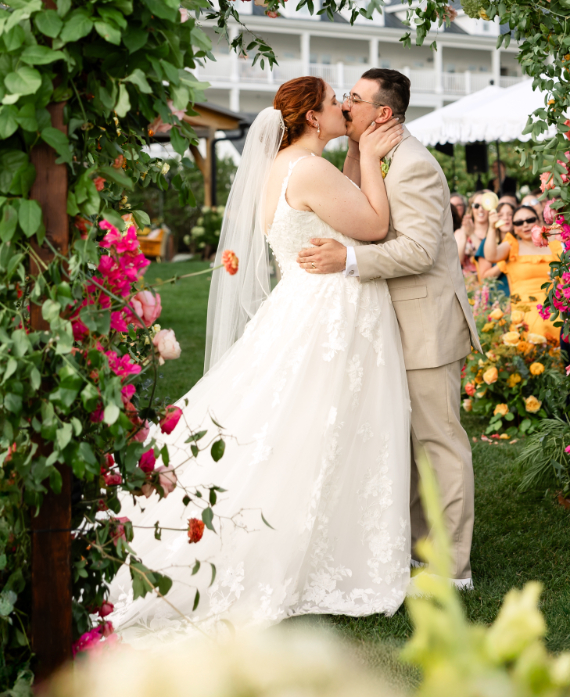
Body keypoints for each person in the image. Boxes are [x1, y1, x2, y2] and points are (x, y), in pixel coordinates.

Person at [108, 77, 411, 638]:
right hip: (330, 312)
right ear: (313, 119)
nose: (344, 106)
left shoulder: (283, 167)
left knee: (296, 424)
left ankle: (328, 539)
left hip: (300, 299)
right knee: (318, 426)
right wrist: (369, 153)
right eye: (333, 103)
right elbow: (373, 225)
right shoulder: (309, 167)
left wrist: (354, 154)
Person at [296, 69, 481, 590]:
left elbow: (421, 250)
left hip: (426, 324)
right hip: (387, 325)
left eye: (354, 99)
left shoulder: (415, 165)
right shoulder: (371, 156)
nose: (346, 105)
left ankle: (454, 570)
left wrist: (348, 260)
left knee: (438, 445)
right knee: (404, 446)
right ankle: (422, 550)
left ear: (383, 113)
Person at [482, 204, 563, 343]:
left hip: (556, 304)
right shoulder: (512, 245)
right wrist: (491, 227)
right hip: (525, 308)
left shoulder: (553, 242)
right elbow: (491, 255)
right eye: (519, 222)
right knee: (536, 326)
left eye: (530, 220)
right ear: (513, 227)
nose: (525, 225)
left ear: (538, 221)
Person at [475, 200, 513, 295]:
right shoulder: (486, 243)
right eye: (500, 215)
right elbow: (484, 279)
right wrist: (504, 262)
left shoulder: (522, 243)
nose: (506, 218)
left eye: (510, 214)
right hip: (497, 299)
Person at [455, 195, 491, 275]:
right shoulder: (459, 232)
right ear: (471, 208)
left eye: (484, 206)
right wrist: (465, 233)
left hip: (489, 282)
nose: (481, 209)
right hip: (466, 283)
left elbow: (489, 258)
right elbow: (456, 261)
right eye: (476, 206)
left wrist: (472, 234)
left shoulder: (495, 232)